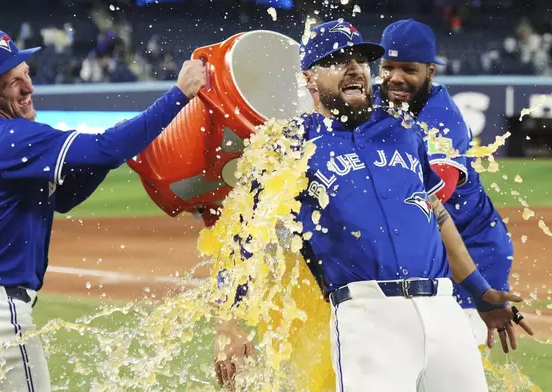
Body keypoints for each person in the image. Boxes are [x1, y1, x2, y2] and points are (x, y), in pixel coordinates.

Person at [213, 20, 533, 392]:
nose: (353, 67)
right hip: (368, 319)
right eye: (336, 60)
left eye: (361, 59)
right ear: (309, 79)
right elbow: (243, 235)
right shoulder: (288, 147)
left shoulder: (405, 130)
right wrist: (227, 324)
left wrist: (481, 291)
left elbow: (436, 214)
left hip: (444, 311)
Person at [0, 29, 205, 392]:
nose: (28, 88)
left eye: (25, 73)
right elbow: (105, 148)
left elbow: (62, 198)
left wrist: (111, 156)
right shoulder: (7, 138)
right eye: (13, 82)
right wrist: (179, 94)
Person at [376, 18, 515, 346]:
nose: (396, 77)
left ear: (430, 72)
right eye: (387, 67)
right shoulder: (374, 97)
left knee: (446, 355)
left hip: (473, 248)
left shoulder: (442, 120)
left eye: (408, 69)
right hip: (426, 249)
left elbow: (432, 194)